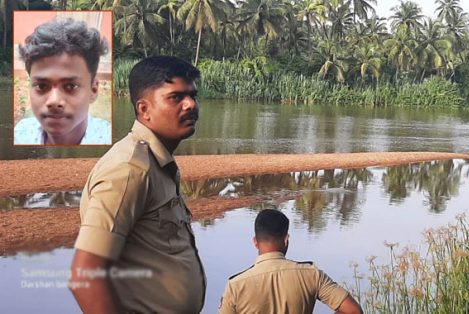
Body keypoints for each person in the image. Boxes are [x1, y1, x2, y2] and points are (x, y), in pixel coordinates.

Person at [69, 56, 205, 313]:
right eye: (176, 97)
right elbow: (85, 276)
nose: (191, 105)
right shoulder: (130, 169)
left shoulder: (156, 163)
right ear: (144, 110)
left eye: (192, 95)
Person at [219, 209, 364, 314]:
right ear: (286, 240)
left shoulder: (235, 286)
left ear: (255, 242)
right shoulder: (312, 275)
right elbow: (353, 311)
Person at [14, 18, 111, 145]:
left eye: (70, 86)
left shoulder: (110, 143)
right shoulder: (20, 134)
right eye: (42, 86)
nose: (54, 101)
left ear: (93, 90)